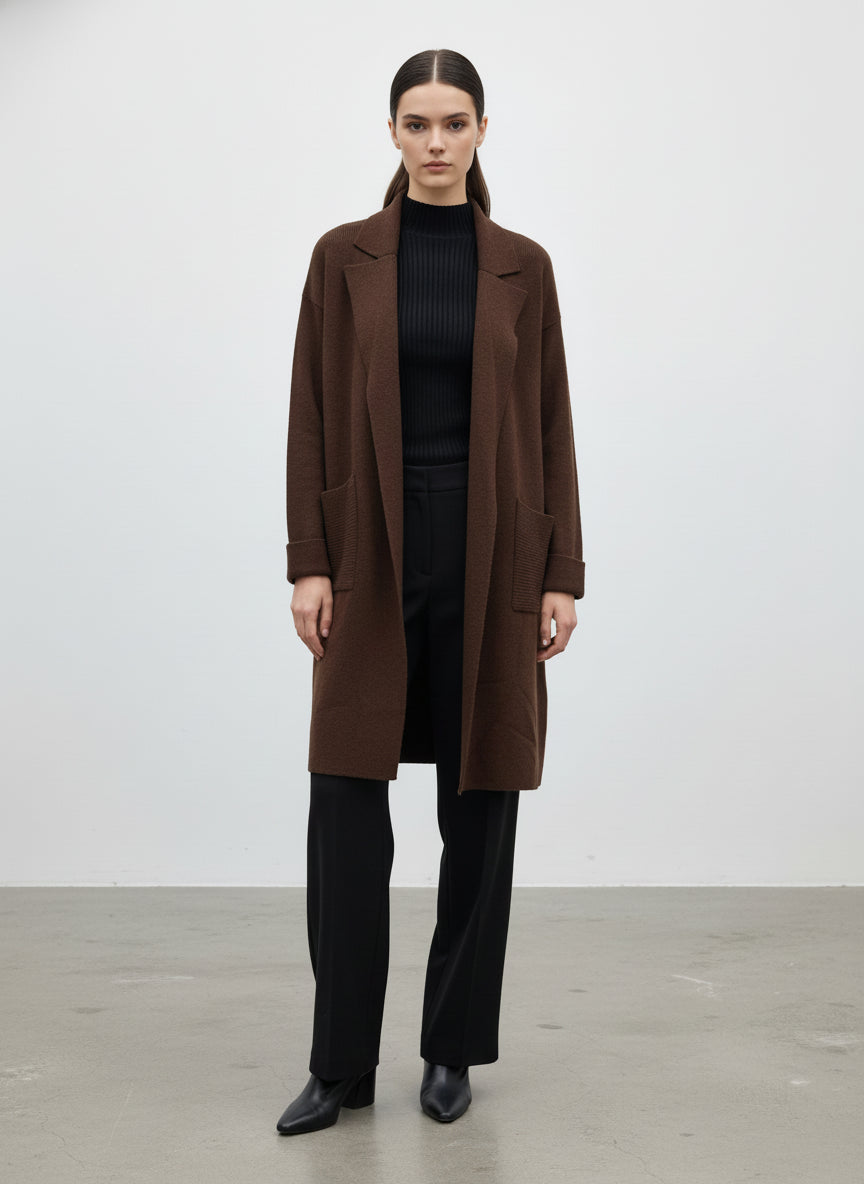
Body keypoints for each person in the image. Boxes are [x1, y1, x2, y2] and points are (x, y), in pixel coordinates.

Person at [276, 48, 585, 1136]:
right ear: (394, 133)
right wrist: (309, 560)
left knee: (480, 802)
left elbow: (551, 424)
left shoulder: (523, 267)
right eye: (419, 123)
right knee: (345, 804)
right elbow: (311, 412)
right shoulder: (343, 257)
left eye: (455, 123)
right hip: (370, 546)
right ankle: (339, 1063)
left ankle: (451, 1048)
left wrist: (561, 574)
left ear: (483, 132)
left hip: (494, 552)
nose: (437, 141)